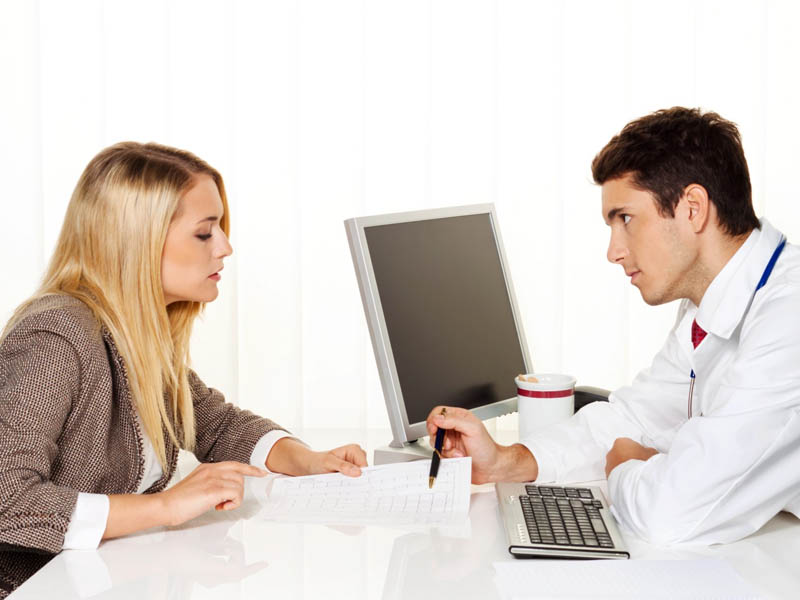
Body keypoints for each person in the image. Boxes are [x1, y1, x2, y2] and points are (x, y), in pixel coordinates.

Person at [0, 142, 367, 597]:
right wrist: (165, 507)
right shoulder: (57, 337)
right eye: (204, 233)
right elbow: (6, 499)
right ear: (138, 240)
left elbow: (215, 423)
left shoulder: (135, 333)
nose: (225, 247)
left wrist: (308, 461)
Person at [426, 107, 800, 546]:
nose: (613, 251)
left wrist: (625, 466)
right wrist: (505, 462)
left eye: (625, 219)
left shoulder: (787, 316)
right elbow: (636, 417)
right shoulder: (712, 303)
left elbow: (669, 513)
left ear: (693, 209)